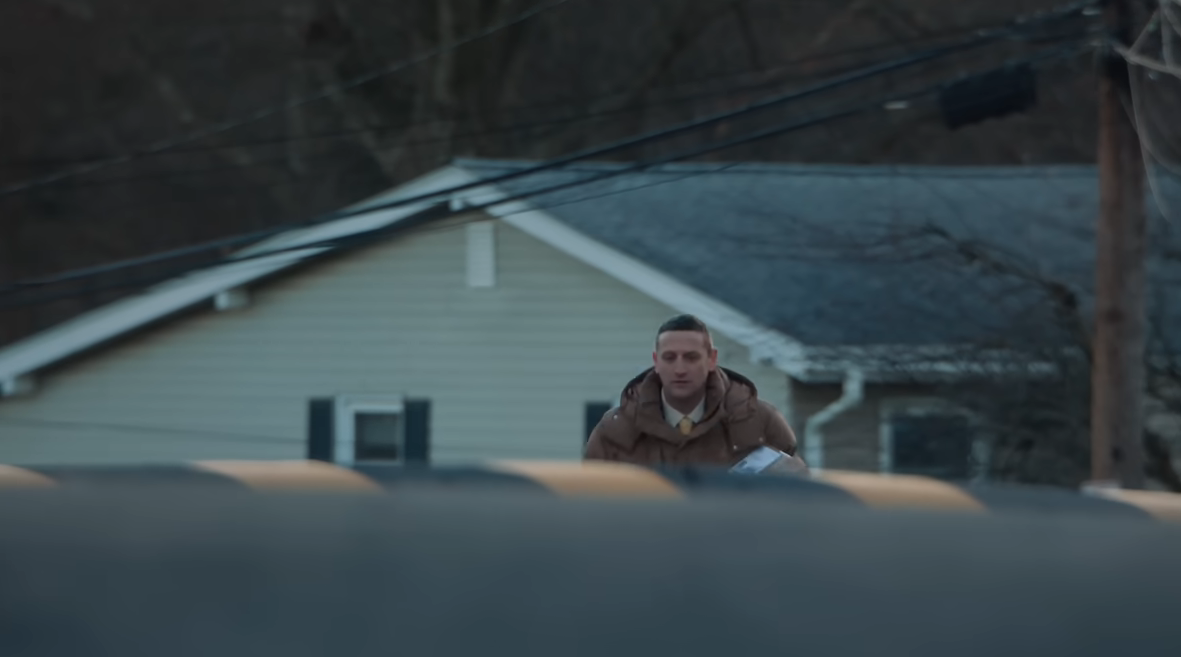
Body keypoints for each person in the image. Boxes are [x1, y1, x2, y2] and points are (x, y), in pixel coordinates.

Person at [584, 314, 807, 472]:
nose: (680, 369)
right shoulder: (615, 431)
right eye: (669, 358)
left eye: (691, 357)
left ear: (711, 360)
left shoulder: (759, 422)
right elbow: (589, 507)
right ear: (656, 362)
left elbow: (800, 497)